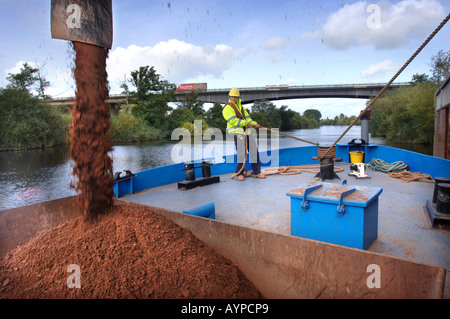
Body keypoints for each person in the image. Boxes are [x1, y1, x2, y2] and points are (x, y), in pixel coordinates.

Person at [222, 88, 266, 181]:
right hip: (237, 133)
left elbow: (248, 119)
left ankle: (256, 172)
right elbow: (233, 121)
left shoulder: (242, 108)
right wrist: (246, 124)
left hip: (247, 132)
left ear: (238, 97)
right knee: (241, 154)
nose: (234, 98)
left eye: (236, 97)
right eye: (232, 96)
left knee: (254, 151)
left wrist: (254, 124)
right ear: (230, 97)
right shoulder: (227, 108)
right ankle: (239, 173)